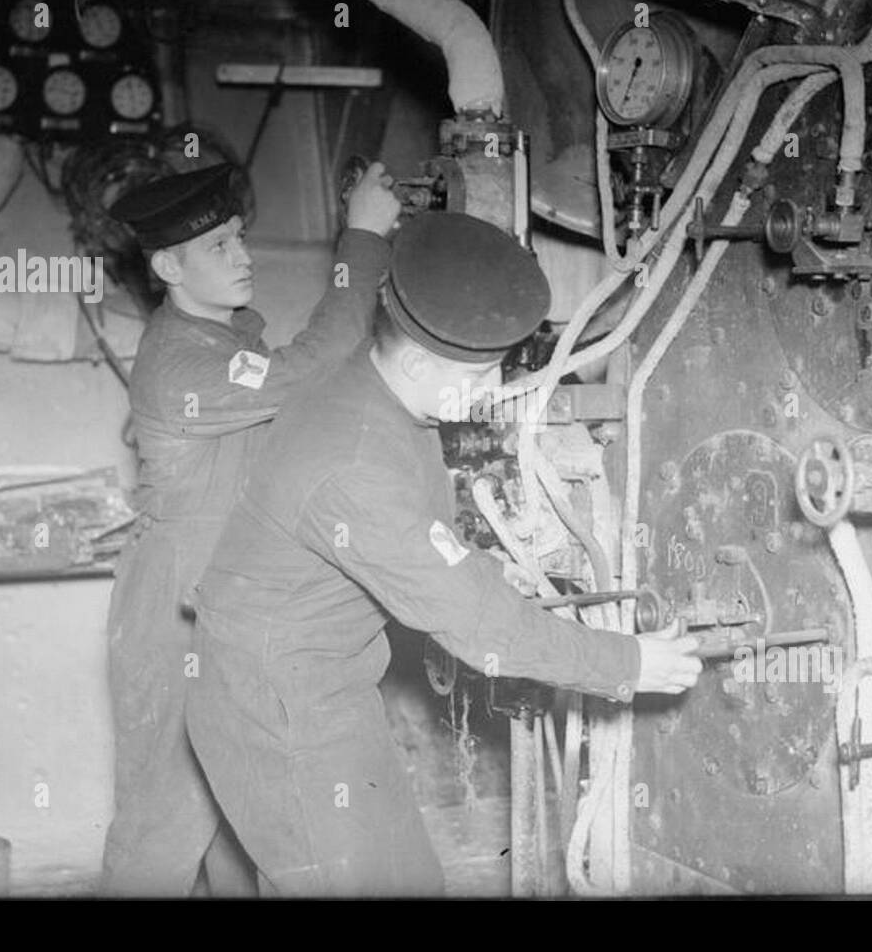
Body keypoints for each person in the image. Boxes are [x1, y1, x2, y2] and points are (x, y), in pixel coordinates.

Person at [185, 210, 703, 897]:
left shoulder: (379, 388)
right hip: (280, 711)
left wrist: (485, 567)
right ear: (423, 359)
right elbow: (482, 629)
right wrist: (631, 663)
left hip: (306, 683)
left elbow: (426, 544)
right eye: (486, 373)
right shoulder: (357, 461)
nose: (495, 393)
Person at [100, 159, 401, 896]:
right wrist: (361, 239)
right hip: (174, 616)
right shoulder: (179, 364)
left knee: (248, 815)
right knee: (163, 826)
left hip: (226, 604)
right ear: (168, 265)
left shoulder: (225, 341)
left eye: (240, 238)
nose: (243, 258)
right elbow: (310, 368)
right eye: (218, 248)